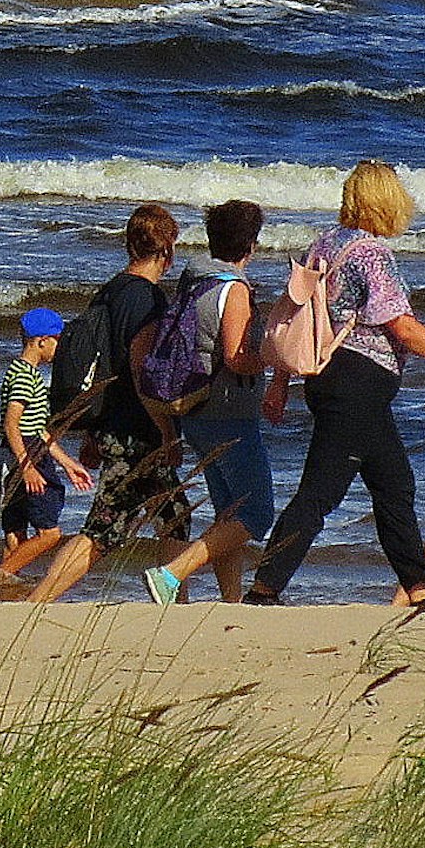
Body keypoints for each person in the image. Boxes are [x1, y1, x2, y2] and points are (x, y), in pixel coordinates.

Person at [244, 160, 425, 608]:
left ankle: (421, 588)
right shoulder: (371, 254)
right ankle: (264, 588)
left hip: (332, 380)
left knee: (394, 483)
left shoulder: (325, 244)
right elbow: (402, 327)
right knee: (319, 492)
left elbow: (298, 319)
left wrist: (281, 381)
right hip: (358, 384)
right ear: (385, 202)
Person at [23, 205, 192, 602]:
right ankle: (37, 601)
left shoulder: (110, 290)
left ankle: (174, 601)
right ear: (168, 249)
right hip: (137, 428)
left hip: (115, 425)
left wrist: (93, 431)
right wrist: (167, 430)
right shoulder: (145, 298)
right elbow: (140, 367)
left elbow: (96, 361)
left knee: (173, 516)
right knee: (104, 530)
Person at [144, 199, 273, 603]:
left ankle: (231, 602)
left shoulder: (193, 280)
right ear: (250, 244)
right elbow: (235, 355)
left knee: (228, 515)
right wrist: (276, 358)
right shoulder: (231, 289)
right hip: (228, 412)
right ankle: (169, 574)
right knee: (256, 515)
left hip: (194, 409)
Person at [0, 308, 94, 591]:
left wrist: (68, 463)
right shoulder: (26, 377)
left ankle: (6, 591)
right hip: (26, 454)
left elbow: (38, 428)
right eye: (57, 340)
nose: (59, 348)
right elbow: (12, 424)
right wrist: (28, 467)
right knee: (50, 533)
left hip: (22, 451)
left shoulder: (19, 371)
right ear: (42, 341)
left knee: (15, 532)